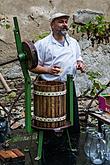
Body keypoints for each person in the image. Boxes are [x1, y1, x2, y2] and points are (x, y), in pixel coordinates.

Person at [31, 12, 85, 133]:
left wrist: (80, 63)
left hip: (70, 86)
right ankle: (50, 146)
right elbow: (32, 67)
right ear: (52, 25)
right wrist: (48, 70)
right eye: (60, 22)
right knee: (51, 122)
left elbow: (78, 57)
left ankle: (71, 144)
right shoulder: (42, 44)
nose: (64, 25)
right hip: (50, 88)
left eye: (66, 22)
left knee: (72, 121)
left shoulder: (73, 43)